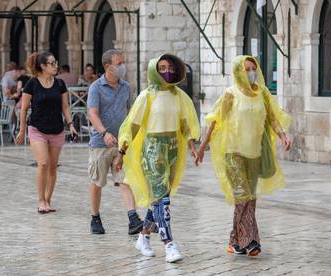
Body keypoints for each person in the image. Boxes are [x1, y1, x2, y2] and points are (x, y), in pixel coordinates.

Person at [196, 55, 292, 257]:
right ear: (238, 71)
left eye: (253, 68)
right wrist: (203, 145)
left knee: (250, 198)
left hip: (254, 153)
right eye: (246, 69)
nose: (250, 72)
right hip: (233, 153)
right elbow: (215, 121)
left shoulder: (263, 93)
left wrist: (283, 136)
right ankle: (252, 241)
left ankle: (234, 240)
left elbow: (272, 118)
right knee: (243, 195)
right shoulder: (230, 94)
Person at [115, 54, 200, 263]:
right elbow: (132, 125)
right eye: (162, 68)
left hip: (172, 150)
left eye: (170, 67)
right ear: (154, 71)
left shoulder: (179, 96)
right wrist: (121, 152)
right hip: (152, 151)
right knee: (163, 200)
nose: (167, 71)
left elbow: (185, 124)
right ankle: (169, 244)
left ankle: (143, 238)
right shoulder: (147, 96)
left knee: (158, 201)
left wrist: (192, 147)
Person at [87, 49, 143, 235]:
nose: (122, 66)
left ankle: (133, 218)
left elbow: (129, 113)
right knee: (97, 182)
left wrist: (130, 138)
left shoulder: (126, 87)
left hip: (121, 144)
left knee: (125, 180)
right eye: (119, 63)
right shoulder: (96, 87)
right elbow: (92, 113)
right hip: (100, 143)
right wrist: (104, 133)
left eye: (123, 62)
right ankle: (95, 217)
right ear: (107, 66)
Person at [15, 51, 77, 214]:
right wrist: (22, 130)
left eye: (56, 62)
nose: (56, 66)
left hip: (57, 129)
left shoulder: (60, 84)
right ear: (43, 66)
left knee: (52, 167)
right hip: (37, 129)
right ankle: (41, 200)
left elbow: (65, 107)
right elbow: (23, 108)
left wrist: (71, 124)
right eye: (52, 63)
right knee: (43, 163)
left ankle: (48, 200)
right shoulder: (32, 84)